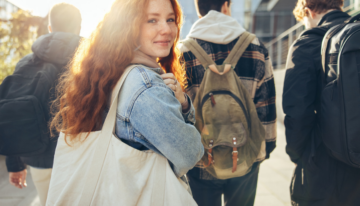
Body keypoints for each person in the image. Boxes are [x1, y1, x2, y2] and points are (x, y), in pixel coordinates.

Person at [49, 0, 203, 200]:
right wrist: (184, 106)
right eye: (152, 20)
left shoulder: (110, 71)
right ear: (128, 26)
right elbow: (190, 153)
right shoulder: (145, 87)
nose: (166, 29)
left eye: (170, 19)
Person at [179, 0, 277, 205]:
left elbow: (178, 112)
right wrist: (265, 148)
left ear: (199, 10)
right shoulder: (256, 46)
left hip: (201, 161)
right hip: (245, 156)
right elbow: (266, 106)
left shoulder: (184, 52)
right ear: (226, 5)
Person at [283, 0, 360, 205]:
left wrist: (298, 155)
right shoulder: (356, 35)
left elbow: (296, 112)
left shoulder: (306, 43)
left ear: (307, 11)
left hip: (322, 167)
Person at [6, 3, 81, 206]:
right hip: (81, 157)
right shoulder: (90, 63)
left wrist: (15, 164)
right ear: (79, 28)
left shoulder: (25, 62)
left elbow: (14, 113)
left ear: (50, 29)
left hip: (38, 158)